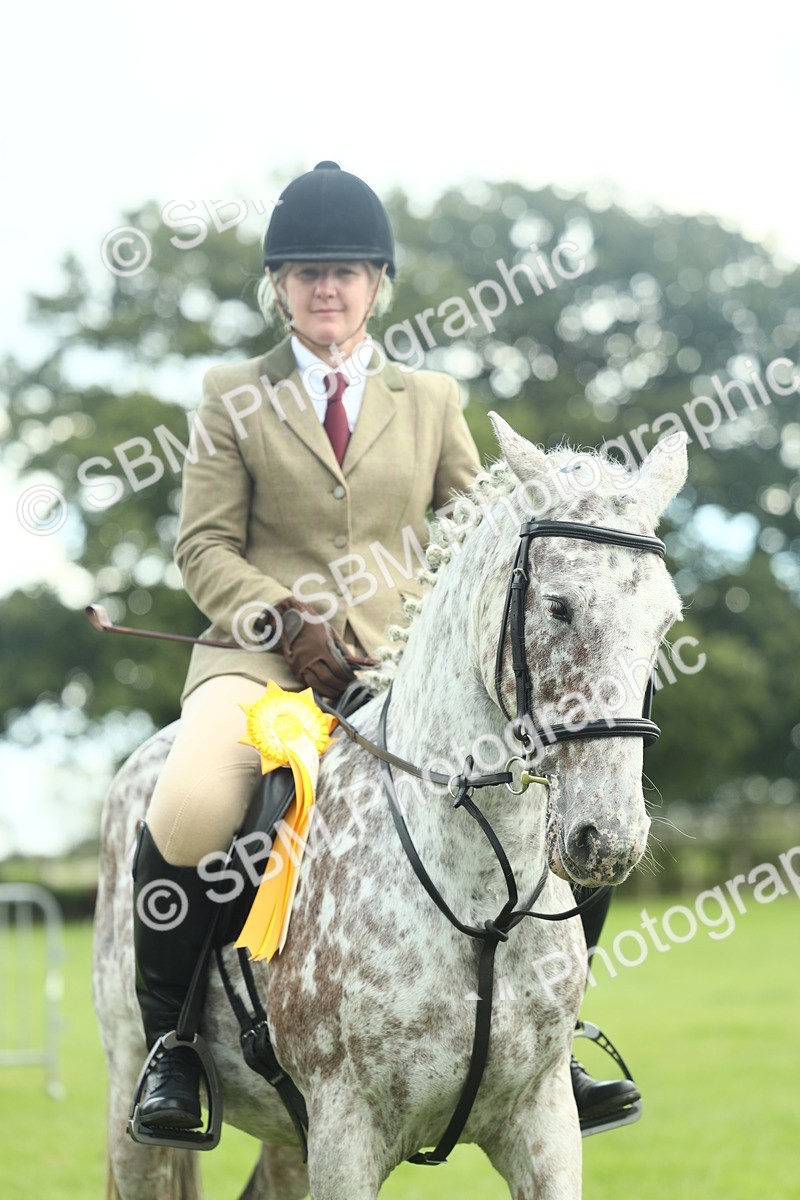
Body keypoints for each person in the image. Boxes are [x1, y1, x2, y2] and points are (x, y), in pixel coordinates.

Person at [130, 160, 637, 1136]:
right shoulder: (230, 393)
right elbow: (202, 547)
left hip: (406, 672)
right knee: (192, 809)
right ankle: (174, 1047)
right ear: (278, 286)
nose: (328, 287)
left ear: (375, 286)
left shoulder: (432, 397)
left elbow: (474, 536)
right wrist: (282, 620)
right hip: (257, 662)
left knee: (559, 806)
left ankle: (552, 1036)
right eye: (308, 271)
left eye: (348, 271)